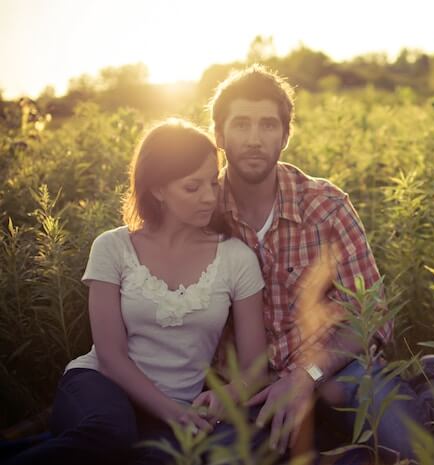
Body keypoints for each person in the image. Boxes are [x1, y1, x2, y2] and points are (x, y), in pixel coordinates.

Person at [6, 119, 268, 465]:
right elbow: (111, 355)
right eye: (192, 187)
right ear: (158, 189)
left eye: (212, 183)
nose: (209, 197)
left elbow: (255, 367)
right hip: (99, 386)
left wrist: (229, 394)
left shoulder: (237, 258)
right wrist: (172, 412)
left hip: (180, 406)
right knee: (111, 432)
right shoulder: (113, 247)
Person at [210, 64, 425, 463]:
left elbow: (372, 315)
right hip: (248, 389)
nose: (254, 139)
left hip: (338, 372)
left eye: (268, 125)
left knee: (414, 446)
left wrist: (303, 377)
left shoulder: (325, 207)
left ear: (286, 135)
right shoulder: (202, 212)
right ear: (219, 135)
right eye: (241, 125)